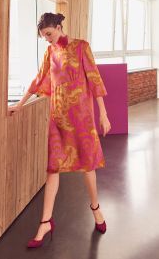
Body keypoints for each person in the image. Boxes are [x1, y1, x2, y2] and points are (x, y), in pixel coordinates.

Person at [8, 12, 111, 248]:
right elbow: (39, 79)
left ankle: (95, 209)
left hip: (82, 120)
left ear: (59, 26)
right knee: (52, 169)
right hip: (58, 120)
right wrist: (20, 104)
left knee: (88, 167)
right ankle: (45, 222)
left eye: (49, 34)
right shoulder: (49, 53)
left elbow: (94, 80)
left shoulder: (81, 47)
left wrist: (103, 114)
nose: (48, 39)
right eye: (44, 37)